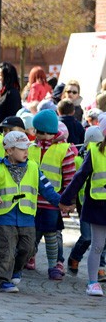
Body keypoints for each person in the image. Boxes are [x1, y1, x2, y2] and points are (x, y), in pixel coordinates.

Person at [0, 131, 63, 293]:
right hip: (5, 216)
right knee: (6, 250)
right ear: (9, 151)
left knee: (28, 249)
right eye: (21, 149)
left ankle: (16, 271)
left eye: (27, 148)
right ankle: (4, 281)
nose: (26, 152)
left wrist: (61, 202)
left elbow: (47, 188)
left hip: (27, 217)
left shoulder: (34, 167)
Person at [27, 110, 76, 279]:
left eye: (46, 132)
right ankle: (28, 257)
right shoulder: (30, 148)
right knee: (31, 234)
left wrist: (67, 201)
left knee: (51, 236)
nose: (42, 135)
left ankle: (53, 265)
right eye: (39, 132)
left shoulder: (64, 150)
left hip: (52, 203)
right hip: (30, 202)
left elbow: (70, 179)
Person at [60, 118, 106, 296]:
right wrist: (66, 199)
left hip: (98, 204)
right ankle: (93, 282)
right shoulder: (94, 151)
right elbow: (79, 178)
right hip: (99, 205)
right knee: (97, 245)